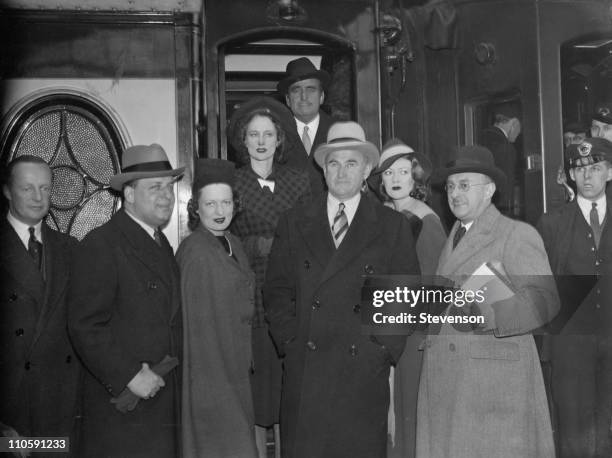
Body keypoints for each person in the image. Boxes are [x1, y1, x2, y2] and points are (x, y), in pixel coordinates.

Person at [264, 121, 420, 458]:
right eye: (333, 163)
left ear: (366, 169)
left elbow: (405, 299)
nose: (341, 172)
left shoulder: (393, 226)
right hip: (307, 370)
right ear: (323, 170)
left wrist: (381, 352)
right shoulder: (294, 221)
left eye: (351, 163)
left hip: (362, 374)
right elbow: (276, 290)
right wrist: (291, 342)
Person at [417, 145, 559, 458]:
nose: (455, 193)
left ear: (490, 189)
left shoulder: (515, 234)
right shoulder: (452, 236)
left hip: (491, 385)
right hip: (451, 380)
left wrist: (485, 313)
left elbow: (545, 300)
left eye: (465, 185)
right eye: (451, 186)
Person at [68, 144, 183, 458]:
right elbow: (84, 326)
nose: (167, 196)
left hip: (160, 401)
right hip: (125, 408)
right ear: (129, 194)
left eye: (169, 187)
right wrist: (129, 375)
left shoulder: (160, 244)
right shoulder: (101, 244)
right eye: (155, 187)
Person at [228, 96, 311, 457]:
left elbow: (313, 235)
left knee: (290, 395)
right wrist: (258, 245)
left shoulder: (301, 182)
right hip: (252, 306)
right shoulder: (231, 184)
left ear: (279, 140)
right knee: (258, 399)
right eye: (253, 135)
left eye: (268, 134)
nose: (261, 142)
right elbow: (217, 242)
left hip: (293, 301)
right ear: (243, 141)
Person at [369, 139, 446, 458]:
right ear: (381, 181)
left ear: (415, 177)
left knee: (409, 411)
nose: (396, 178)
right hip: (382, 329)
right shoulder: (381, 216)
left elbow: (434, 290)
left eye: (403, 171)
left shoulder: (427, 221)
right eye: (389, 173)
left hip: (414, 334)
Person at [177, 158, 258, 458]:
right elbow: (194, 329)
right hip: (211, 377)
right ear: (196, 208)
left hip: (235, 366)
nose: (220, 211)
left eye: (226, 202)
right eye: (210, 204)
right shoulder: (195, 250)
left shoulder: (233, 242)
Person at [537, 138, 612, 457]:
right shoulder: (552, 223)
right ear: (570, 175)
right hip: (570, 343)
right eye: (579, 169)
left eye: (595, 168)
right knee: (574, 433)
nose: (587, 176)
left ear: (609, 172)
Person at [0, 155, 79, 446]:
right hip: (13, 408)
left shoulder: (70, 249)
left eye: (45, 188)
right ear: (7, 191)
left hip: (62, 403)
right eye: (27, 188)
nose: (37, 197)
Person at [277, 56, 335, 195]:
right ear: (288, 100)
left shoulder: (340, 131)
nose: (304, 96)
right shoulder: (274, 135)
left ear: (321, 97)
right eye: (296, 90)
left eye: (311, 89)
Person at [481, 102, 522, 215]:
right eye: (520, 127)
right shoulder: (507, 148)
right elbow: (506, 194)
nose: (520, 133)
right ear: (514, 123)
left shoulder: (480, 138)